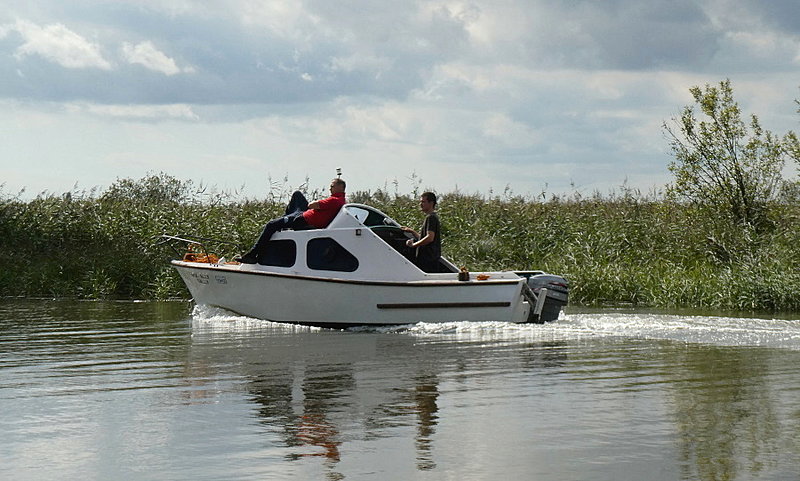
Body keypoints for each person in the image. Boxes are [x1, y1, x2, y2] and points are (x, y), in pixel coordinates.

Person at [237, 178, 347, 264]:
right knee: (297, 194)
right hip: (303, 215)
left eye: (332, 186)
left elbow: (311, 205)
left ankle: (252, 255)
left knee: (271, 225)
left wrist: (316, 203)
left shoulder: (334, 200)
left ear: (340, 187)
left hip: (301, 221)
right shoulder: (341, 201)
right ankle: (284, 221)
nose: (330, 189)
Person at [401, 191, 441, 273]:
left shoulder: (431, 218)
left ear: (431, 203)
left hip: (428, 260)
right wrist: (412, 232)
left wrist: (413, 245)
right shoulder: (432, 217)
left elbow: (430, 238)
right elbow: (425, 237)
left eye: (423, 202)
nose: (421, 204)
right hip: (429, 259)